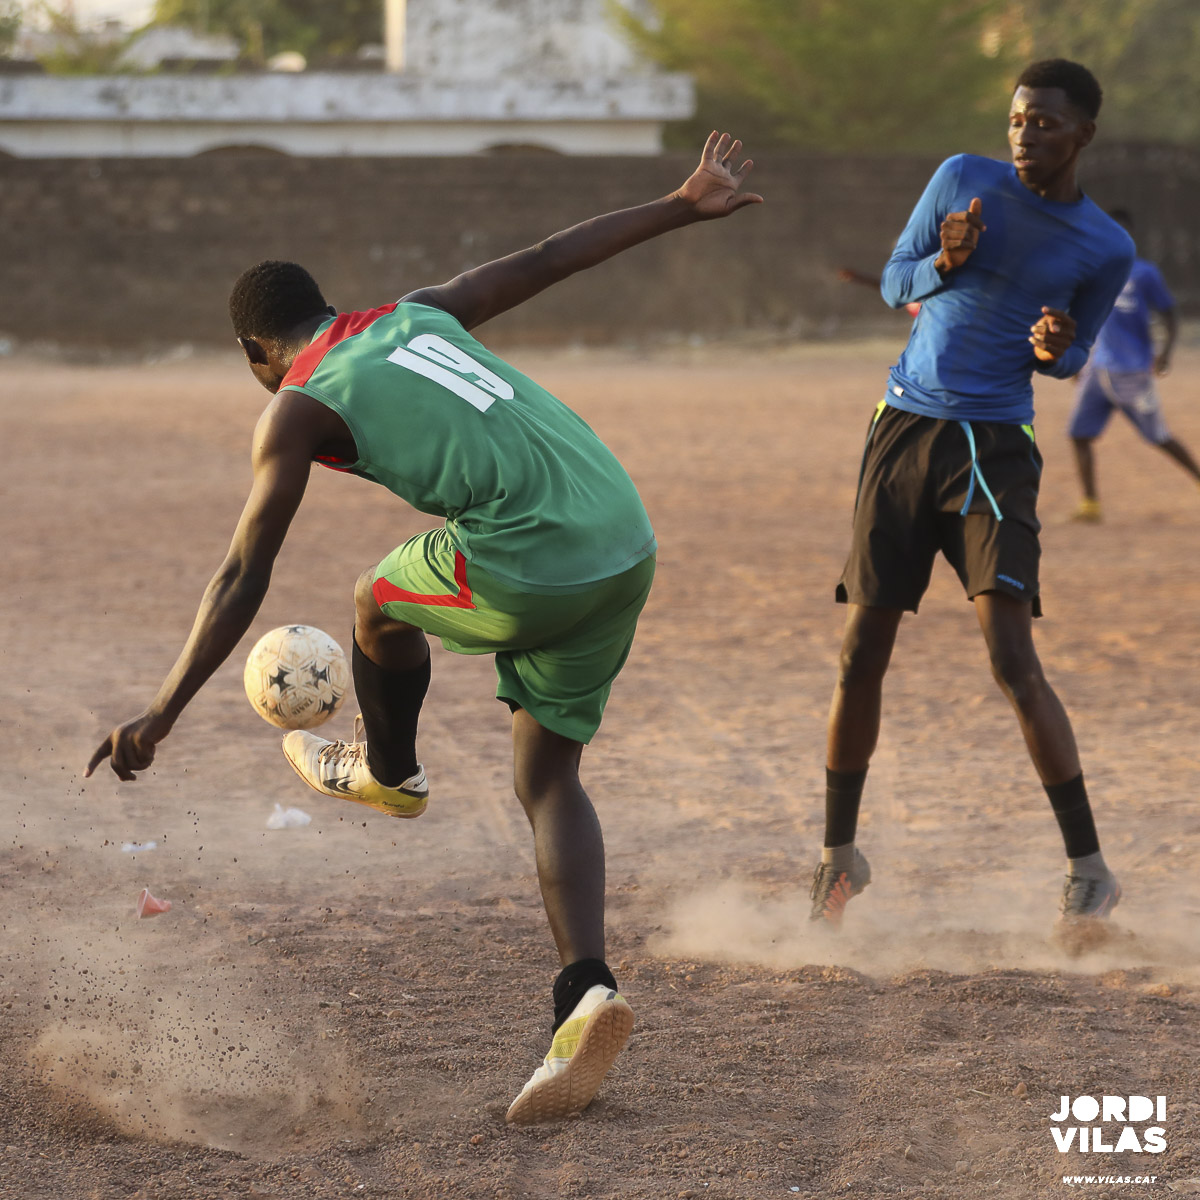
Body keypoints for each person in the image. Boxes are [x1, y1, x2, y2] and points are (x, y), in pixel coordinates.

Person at [84, 132, 763, 1123]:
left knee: (372, 597)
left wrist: (161, 712)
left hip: (534, 554)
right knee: (547, 778)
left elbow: (242, 571)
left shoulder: (296, 406)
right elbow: (547, 258)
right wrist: (679, 201)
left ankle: (390, 773)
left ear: (253, 354)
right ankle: (586, 995)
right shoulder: (416, 314)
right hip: (624, 536)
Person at [809, 60, 1134, 931]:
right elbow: (894, 282)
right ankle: (838, 859)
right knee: (859, 655)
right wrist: (944, 260)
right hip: (903, 432)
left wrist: (1055, 347)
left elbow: (1072, 357)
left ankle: (1089, 870)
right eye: (1019, 119)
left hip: (994, 449)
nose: (1026, 134)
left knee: (1012, 660)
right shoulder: (960, 178)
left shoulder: (1106, 246)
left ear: (1083, 135)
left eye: (1046, 123)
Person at [1068, 208, 1200, 521]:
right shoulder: (1093, 273)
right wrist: (1076, 361)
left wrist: (1165, 352)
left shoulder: (1144, 273)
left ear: (1130, 237)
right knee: (1078, 434)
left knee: (1159, 437)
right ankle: (1090, 504)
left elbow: (1169, 313)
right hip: (1097, 371)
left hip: (1132, 373)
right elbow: (1081, 318)